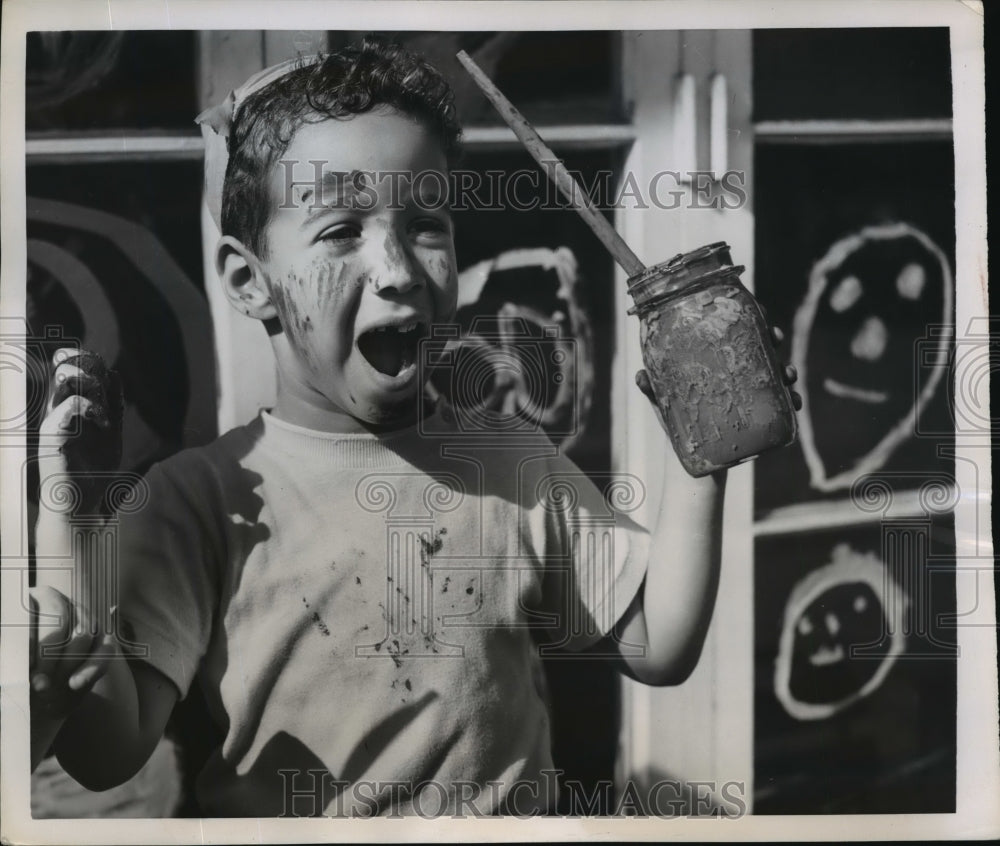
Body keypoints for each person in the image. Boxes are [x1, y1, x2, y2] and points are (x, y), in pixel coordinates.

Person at [29, 37, 796, 817]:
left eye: (426, 224)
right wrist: (69, 526)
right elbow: (103, 754)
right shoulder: (199, 503)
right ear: (246, 280)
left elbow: (658, 646)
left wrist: (706, 448)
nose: (398, 269)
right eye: (339, 233)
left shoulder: (505, 454)